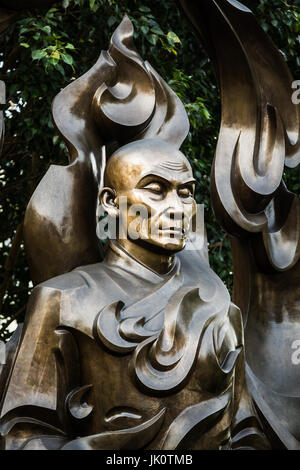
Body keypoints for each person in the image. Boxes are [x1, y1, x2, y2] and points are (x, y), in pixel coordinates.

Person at [0, 138, 269, 450]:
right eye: (155, 189)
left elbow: (246, 430)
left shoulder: (220, 307)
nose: (177, 208)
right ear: (111, 202)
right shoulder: (63, 299)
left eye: (185, 193)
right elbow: (24, 434)